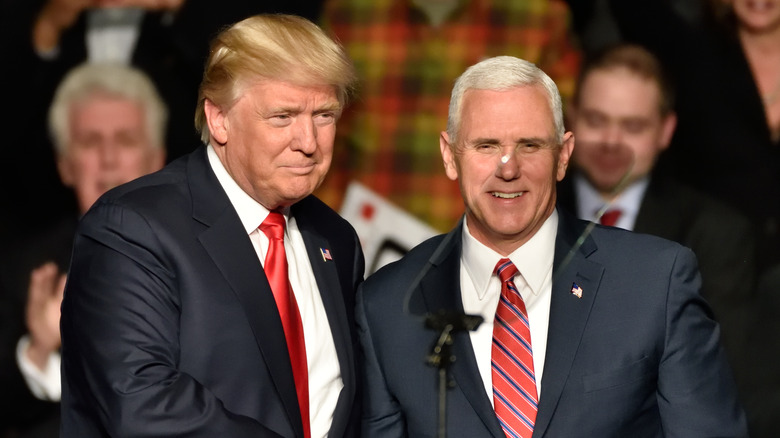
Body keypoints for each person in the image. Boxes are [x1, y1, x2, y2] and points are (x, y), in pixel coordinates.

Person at [356, 55, 748, 437]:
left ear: (563, 156)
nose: (508, 169)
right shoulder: (385, 307)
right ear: (449, 155)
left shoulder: (654, 283)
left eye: (529, 145)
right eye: (486, 145)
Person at [59, 14, 363, 438]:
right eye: (282, 116)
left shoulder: (335, 238)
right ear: (219, 119)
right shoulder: (132, 228)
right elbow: (141, 405)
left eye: (325, 115)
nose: (308, 142)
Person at [556, 43, 756, 382]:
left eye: (633, 126)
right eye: (596, 120)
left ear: (665, 131)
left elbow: (713, 374)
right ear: (571, 118)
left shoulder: (714, 234)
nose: (611, 140)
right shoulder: (521, 213)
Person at [0, 62, 167, 438]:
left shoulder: (208, 257)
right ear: (65, 165)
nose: (108, 160)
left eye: (125, 140)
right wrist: (39, 350)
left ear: (156, 159)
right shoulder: (23, 267)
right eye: (91, 142)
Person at [316, 0, 582, 232]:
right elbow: (320, 129)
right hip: (364, 236)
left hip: (489, 239)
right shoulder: (349, 13)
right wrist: (327, 229)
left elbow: (556, 140)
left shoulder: (539, 17)